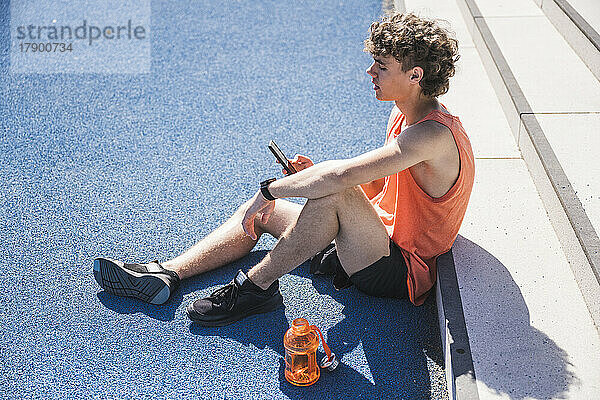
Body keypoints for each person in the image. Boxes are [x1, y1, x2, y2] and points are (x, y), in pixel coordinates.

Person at [93, 12, 474, 326]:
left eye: (382, 66)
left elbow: (342, 180)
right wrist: (305, 179)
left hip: (398, 266)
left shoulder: (432, 136)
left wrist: (273, 187)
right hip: (373, 237)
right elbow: (378, 184)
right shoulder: (403, 112)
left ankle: (255, 288)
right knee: (273, 210)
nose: (370, 72)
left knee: (325, 190)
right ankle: (168, 273)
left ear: (415, 75)